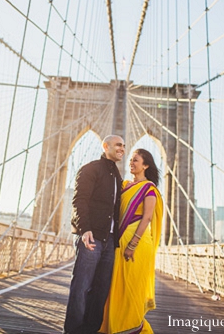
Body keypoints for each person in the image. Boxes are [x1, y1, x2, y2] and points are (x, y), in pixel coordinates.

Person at [63, 135, 126, 334]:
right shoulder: (90, 169)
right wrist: (85, 229)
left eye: (124, 146)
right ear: (105, 146)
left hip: (109, 241)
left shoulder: (117, 177)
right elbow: (79, 200)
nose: (122, 149)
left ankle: (90, 330)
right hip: (92, 237)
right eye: (118, 145)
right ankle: (73, 331)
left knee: (100, 290)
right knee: (81, 287)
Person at [99, 148, 163, 334]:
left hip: (137, 243)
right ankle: (111, 325)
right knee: (115, 284)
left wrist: (132, 245)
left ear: (145, 165)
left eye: (136, 160)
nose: (131, 163)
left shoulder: (149, 189)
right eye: (131, 160)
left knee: (130, 286)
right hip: (119, 241)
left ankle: (131, 327)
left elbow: (147, 218)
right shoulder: (125, 185)